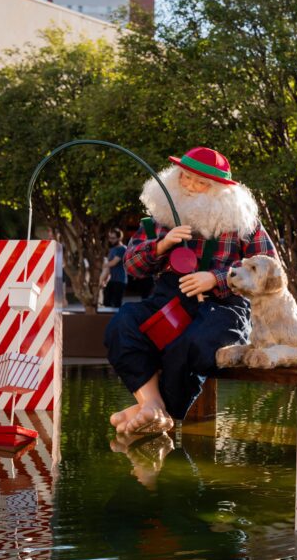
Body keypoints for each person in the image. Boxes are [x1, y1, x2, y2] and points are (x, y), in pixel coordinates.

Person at [105, 147, 276, 435]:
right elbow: (132, 267)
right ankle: (152, 404)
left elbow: (268, 272)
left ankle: (152, 411)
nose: (190, 186)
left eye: (201, 183)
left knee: (195, 344)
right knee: (122, 324)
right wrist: (161, 246)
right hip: (168, 300)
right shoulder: (157, 221)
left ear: (221, 189)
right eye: (185, 178)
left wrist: (219, 278)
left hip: (224, 307)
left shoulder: (245, 225)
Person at [99, 228, 128, 309]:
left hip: (120, 280)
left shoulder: (122, 249)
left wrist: (99, 266)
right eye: (110, 238)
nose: (110, 240)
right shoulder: (112, 249)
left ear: (119, 238)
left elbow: (113, 263)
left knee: (116, 305)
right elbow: (108, 266)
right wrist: (104, 279)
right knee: (106, 303)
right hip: (111, 280)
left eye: (113, 238)